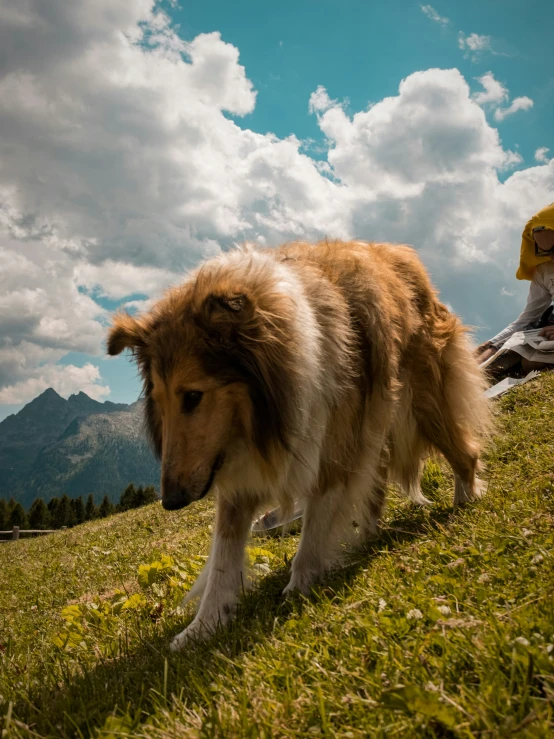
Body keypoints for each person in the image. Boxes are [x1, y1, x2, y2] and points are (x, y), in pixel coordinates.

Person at [477, 202, 554, 373]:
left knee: (530, 363)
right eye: (546, 252)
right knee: (490, 364)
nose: (552, 258)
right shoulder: (544, 271)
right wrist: (489, 345)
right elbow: (526, 320)